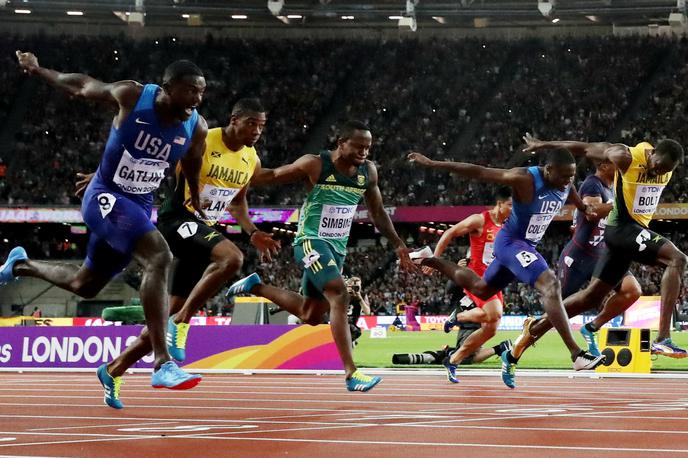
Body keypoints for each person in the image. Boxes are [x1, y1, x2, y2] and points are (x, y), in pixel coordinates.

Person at [1, 51, 208, 403]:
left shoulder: (196, 126)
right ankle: (162, 363)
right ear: (168, 87)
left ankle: (20, 264)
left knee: (86, 284)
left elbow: (191, 160)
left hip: (139, 205)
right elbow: (82, 86)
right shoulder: (133, 95)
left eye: (201, 93)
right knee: (159, 257)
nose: (197, 99)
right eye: (190, 91)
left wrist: (193, 197)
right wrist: (38, 70)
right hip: (105, 197)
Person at [74, 98, 281, 408]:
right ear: (234, 119)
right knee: (232, 258)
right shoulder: (203, 137)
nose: (257, 131)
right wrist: (105, 177)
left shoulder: (251, 159)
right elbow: (152, 158)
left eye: (262, 126)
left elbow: (237, 203)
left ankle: (113, 369)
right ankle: (183, 322)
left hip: (201, 233)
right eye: (252, 123)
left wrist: (253, 232)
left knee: (161, 320)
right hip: (178, 220)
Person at [226, 120, 417, 392]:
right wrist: (243, 161)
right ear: (341, 143)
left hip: (337, 248)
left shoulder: (368, 172)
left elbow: (377, 212)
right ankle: (352, 373)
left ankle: (255, 285)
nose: (365, 152)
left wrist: (398, 244)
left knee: (311, 314)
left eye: (369, 147)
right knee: (339, 293)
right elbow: (268, 177)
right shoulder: (315, 164)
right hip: (310, 240)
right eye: (359, 146)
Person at [407, 149, 605, 389]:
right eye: (564, 176)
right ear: (549, 170)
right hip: (512, 243)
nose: (568, 181)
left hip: (521, 246)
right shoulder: (525, 179)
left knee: (481, 290)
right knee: (550, 285)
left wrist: (583, 208)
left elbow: (569, 190)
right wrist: (433, 163)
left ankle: (429, 260)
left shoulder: (565, 180)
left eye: (571, 176)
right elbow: (479, 171)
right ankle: (577, 354)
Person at [511, 134, 686, 359]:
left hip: (625, 238)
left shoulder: (666, 167)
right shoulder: (626, 156)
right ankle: (663, 338)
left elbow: (659, 171)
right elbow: (585, 148)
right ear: (652, 154)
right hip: (622, 229)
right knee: (677, 259)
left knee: (591, 297)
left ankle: (533, 330)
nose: (658, 173)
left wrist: (661, 170)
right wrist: (544, 145)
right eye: (657, 167)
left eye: (665, 171)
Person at [420, 188, 513, 383]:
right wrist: (435, 260)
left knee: (491, 328)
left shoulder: (506, 225)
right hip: (477, 279)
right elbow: (450, 232)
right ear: (499, 204)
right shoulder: (479, 220)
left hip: (495, 279)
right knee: (494, 313)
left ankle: (453, 360)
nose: (513, 210)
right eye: (510, 205)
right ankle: (458, 316)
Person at [345, 275, 370, 346]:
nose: (355, 289)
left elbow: (367, 312)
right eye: (353, 286)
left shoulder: (362, 295)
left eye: (357, 287)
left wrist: (360, 298)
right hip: (341, 323)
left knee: (356, 332)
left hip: (352, 325)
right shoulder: (343, 293)